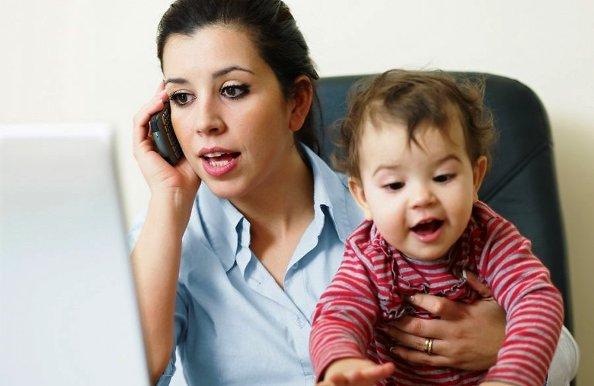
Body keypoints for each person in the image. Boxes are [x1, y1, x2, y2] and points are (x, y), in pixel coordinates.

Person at [128, 1, 577, 385]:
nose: (205, 121)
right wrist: (168, 202)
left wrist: (500, 346)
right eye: (182, 98)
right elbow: (121, 373)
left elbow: (563, 353)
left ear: (297, 102)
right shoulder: (164, 238)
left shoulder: (404, 208)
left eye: (232, 90)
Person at [309, 70, 564, 386]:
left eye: (443, 177)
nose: (421, 198)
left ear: (476, 177)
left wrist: (511, 377)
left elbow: (537, 300)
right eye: (394, 184)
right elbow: (338, 313)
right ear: (363, 198)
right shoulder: (370, 255)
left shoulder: (489, 238)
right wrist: (342, 363)